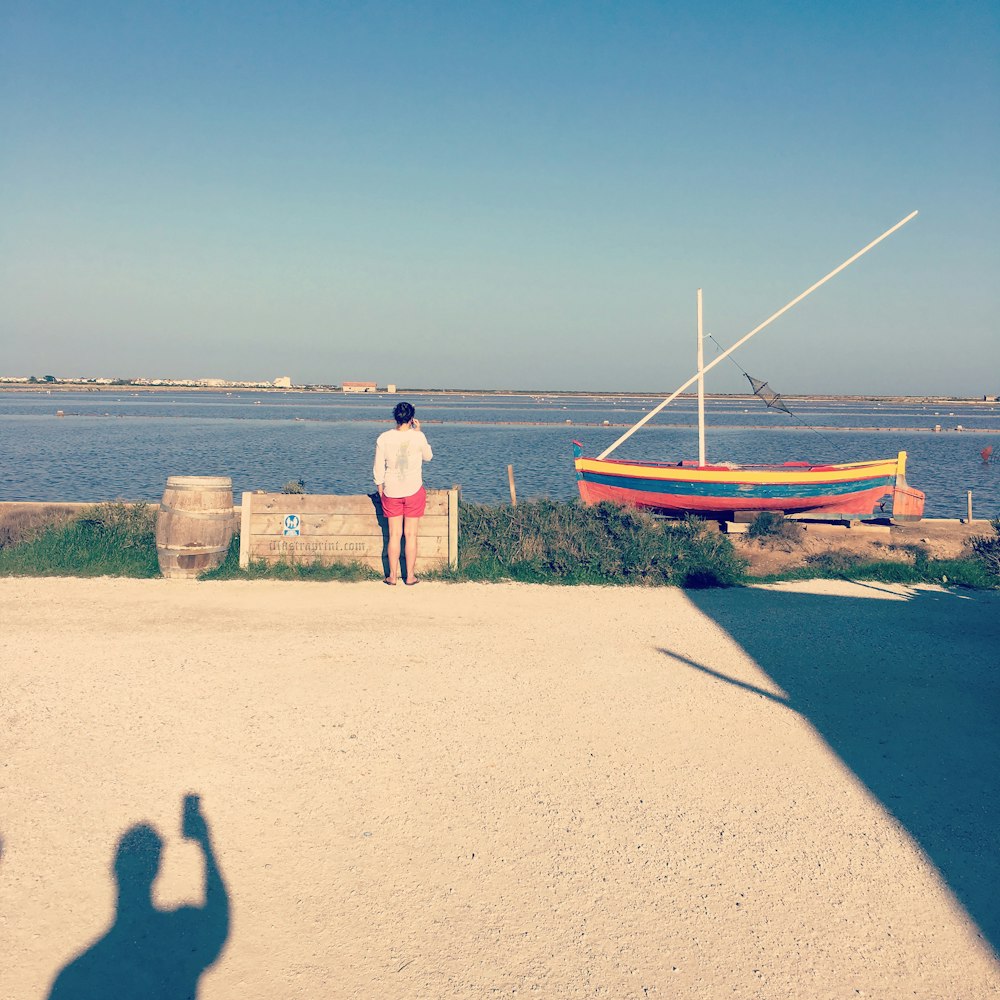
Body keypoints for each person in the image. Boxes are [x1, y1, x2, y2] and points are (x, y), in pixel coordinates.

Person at [49, 795, 229, 999]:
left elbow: (216, 922)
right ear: (157, 870)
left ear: (114, 869)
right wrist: (204, 844)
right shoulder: (174, 940)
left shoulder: (79, 974)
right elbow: (217, 922)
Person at [373, 401, 433, 585]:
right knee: (411, 535)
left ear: (395, 417)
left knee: (394, 535)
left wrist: (380, 488)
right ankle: (410, 576)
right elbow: (428, 457)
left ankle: (392, 576)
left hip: (391, 490)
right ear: (412, 418)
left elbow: (378, 468)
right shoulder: (418, 437)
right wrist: (418, 432)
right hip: (413, 489)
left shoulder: (384, 438)